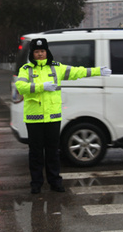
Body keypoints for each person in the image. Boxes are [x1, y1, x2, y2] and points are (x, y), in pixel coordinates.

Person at [15, 38, 112, 194]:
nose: (40, 54)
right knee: (36, 153)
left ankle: (55, 182)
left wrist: (97, 71)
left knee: (53, 152)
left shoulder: (56, 68)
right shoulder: (26, 69)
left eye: (42, 51)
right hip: (34, 118)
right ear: (33, 54)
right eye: (37, 52)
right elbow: (21, 86)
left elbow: (76, 71)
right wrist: (42, 86)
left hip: (53, 117)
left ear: (47, 52)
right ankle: (36, 184)